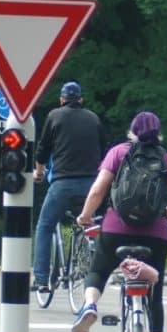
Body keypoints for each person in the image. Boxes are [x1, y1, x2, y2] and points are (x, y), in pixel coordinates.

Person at [72, 111, 167, 332]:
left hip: (115, 229)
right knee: (155, 294)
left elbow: (98, 190)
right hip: (155, 235)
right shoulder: (165, 158)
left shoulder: (119, 153)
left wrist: (85, 216)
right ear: (159, 134)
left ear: (131, 132)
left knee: (98, 270)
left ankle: (89, 305)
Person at [31, 81, 108, 293]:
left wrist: (39, 172)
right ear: (81, 100)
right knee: (89, 224)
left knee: (45, 226)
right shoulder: (94, 119)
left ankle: (41, 279)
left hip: (62, 184)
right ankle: (90, 270)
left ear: (62, 100)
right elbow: (104, 153)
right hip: (91, 186)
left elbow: (43, 150)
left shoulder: (54, 116)